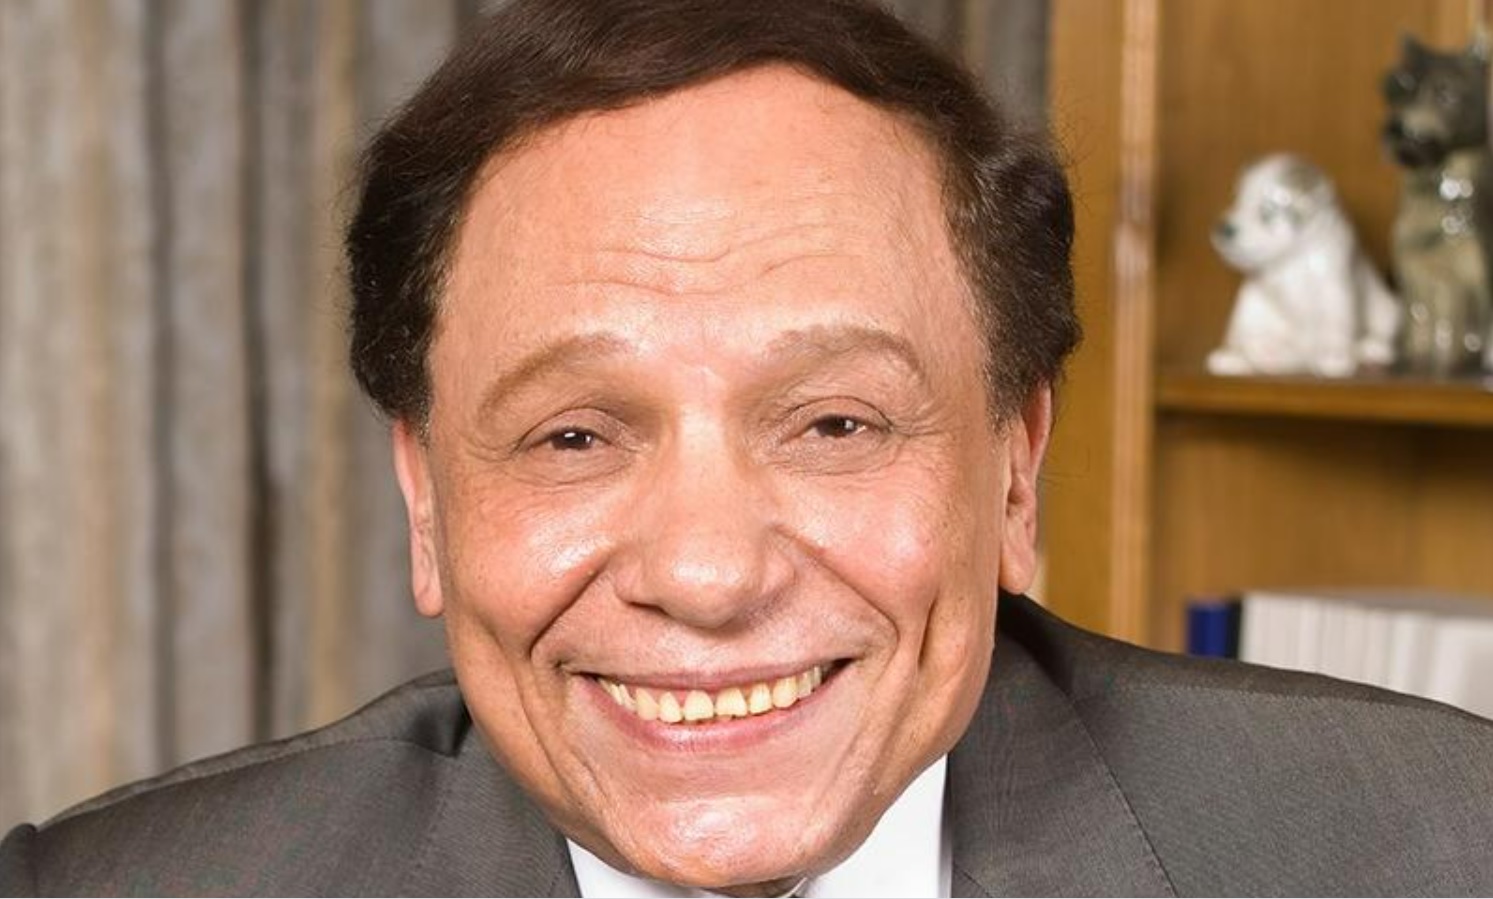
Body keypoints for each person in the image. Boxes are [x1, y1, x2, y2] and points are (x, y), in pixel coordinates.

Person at [4, 0, 1492, 895]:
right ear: (426, 503)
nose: (709, 575)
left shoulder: (1438, 850)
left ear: (1013, 471)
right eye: (573, 435)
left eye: (836, 424)